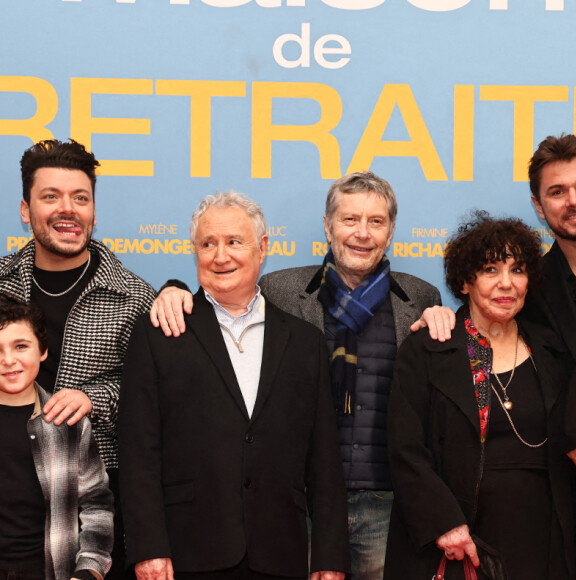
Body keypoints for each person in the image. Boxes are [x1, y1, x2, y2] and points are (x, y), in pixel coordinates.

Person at [150, 172, 442, 580]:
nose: (362, 233)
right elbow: (225, 296)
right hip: (296, 503)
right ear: (327, 226)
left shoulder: (420, 298)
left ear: (391, 230)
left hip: (385, 502)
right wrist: (172, 288)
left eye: (376, 221)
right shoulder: (280, 289)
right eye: (349, 220)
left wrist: (445, 317)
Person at [118, 191, 349, 580]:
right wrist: (147, 547)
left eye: (233, 242)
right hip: (185, 555)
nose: (220, 256)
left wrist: (329, 556)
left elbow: (323, 459)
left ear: (262, 248)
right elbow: (138, 450)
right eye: (207, 244)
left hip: (280, 554)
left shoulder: (305, 341)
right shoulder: (159, 333)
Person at [384, 212, 576, 580]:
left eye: (517, 270)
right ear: (465, 282)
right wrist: (444, 524)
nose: (506, 284)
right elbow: (405, 450)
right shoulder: (428, 350)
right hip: (462, 539)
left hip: (545, 539)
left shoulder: (553, 351)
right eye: (491, 270)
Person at [0, 139, 157, 576]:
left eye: (80, 198)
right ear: (25, 210)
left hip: (94, 506)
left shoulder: (133, 297)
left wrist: (94, 397)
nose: (67, 209)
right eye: (50, 196)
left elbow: (157, 395)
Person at [0, 294, 113, 580]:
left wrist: (89, 570)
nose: (9, 360)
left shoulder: (68, 423)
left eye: (21, 346)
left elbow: (97, 504)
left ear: (43, 350)